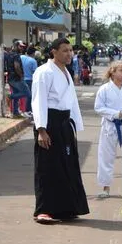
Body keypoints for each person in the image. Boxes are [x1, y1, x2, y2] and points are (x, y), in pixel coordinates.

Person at [31, 38, 89, 224]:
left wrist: (75, 124)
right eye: (64, 50)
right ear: (53, 52)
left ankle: (65, 208)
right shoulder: (44, 72)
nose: (69, 54)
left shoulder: (66, 72)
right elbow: (38, 100)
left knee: (67, 165)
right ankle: (44, 209)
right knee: (47, 166)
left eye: (70, 50)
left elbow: (71, 101)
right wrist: (41, 130)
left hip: (64, 122)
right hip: (49, 122)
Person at [94, 61, 122, 199]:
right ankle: (105, 187)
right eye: (121, 70)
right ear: (113, 71)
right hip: (109, 126)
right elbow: (98, 108)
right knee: (106, 157)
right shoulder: (104, 89)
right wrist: (116, 114)